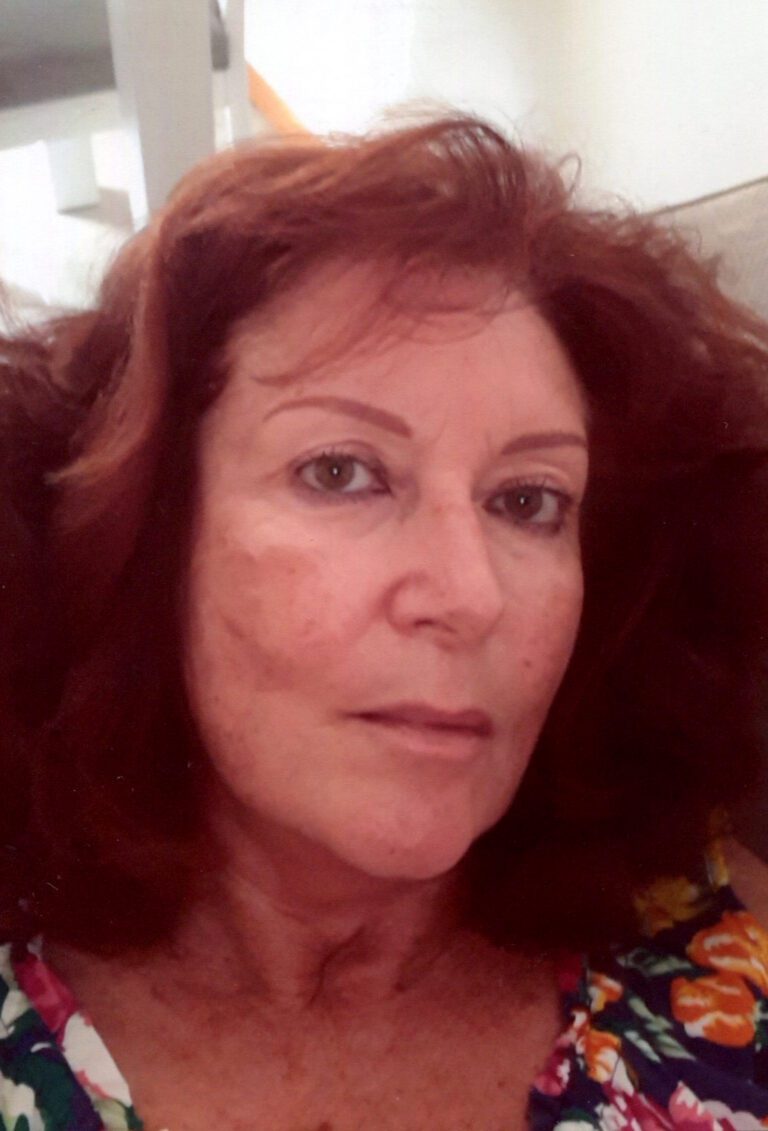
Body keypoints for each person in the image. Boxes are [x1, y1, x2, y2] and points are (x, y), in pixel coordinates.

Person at [1, 115, 768, 1131]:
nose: (469, 595)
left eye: (528, 500)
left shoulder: (726, 954)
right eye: (340, 472)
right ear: (154, 534)